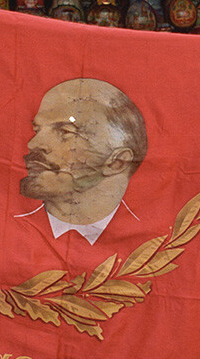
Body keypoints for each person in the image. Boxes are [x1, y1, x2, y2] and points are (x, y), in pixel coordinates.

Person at [17, 77, 147, 243]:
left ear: (117, 162)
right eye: (37, 130)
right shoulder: (0, 227)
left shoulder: (152, 235)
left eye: (65, 132)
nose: (33, 144)